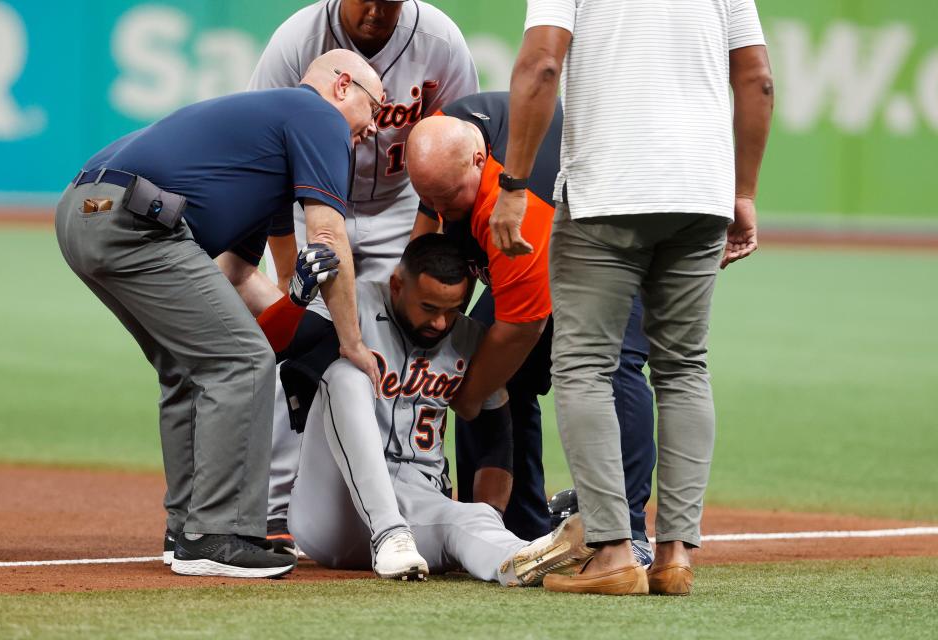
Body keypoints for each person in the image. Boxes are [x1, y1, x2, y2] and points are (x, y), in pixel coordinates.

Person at [55, 49, 384, 579]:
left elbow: (232, 276)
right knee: (239, 362)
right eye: (376, 105)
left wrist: (295, 309)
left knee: (192, 366)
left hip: (86, 212)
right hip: (133, 222)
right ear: (343, 86)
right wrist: (350, 341)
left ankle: (187, 525)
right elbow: (328, 237)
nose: (375, 126)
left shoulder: (264, 155)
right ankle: (216, 535)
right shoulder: (319, 116)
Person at [489, 0, 774, 595]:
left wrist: (513, 184)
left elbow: (541, 65)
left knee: (584, 367)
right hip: (702, 190)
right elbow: (757, 77)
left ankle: (614, 552)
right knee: (684, 368)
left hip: (608, 189)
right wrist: (743, 192)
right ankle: (673, 558)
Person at [248, 0, 480, 548]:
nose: (376, 9)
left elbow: (462, 145)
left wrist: (423, 247)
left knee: (393, 348)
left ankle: (395, 491)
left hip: (403, 210)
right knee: (299, 348)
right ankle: (277, 508)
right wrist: (287, 277)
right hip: (310, 207)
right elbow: (267, 161)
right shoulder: (296, 40)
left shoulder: (440, 41)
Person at [405, 93, 655, 558]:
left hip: (613, 237)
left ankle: (629, 534)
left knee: (610, 368)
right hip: (538, 237)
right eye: (430, 196)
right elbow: (425, 237)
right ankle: (511, 531)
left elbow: (522, 327)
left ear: (480, 163)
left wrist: (469, 395)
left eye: (449, 196)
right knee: (476, 358)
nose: (442, 207)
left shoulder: (513, 210)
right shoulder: (441, 139)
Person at [287, 233, 594, 585]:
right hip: (330, 508)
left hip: (416, 507)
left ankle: (524, 560)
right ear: (398, 285)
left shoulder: (470, 338)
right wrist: (295, 299)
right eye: (429, 308)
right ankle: (388, 532)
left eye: (452, 310)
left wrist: (490, 517)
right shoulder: (353, 304)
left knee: (473, 517)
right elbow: (277, 346)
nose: (439, 323)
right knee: (345, 375)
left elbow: (497, 438)